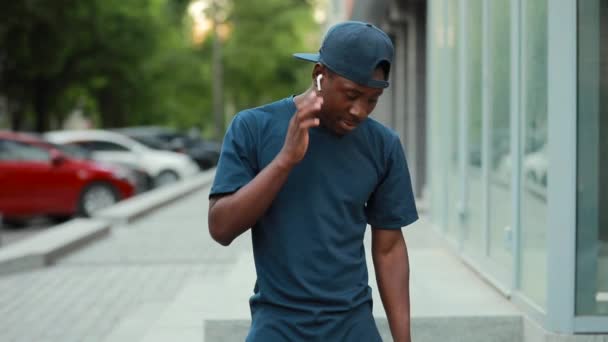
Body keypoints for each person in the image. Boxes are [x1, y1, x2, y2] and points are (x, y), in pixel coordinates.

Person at [208, 21, 418, 342]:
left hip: (352, 324)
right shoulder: (253, 127)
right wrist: (285, 160)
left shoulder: (383, 145)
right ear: (320, 75)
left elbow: (389, 249)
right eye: (352, 95)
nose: (360, 111)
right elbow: (220, 228)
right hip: (277, 322)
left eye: (372, 100)